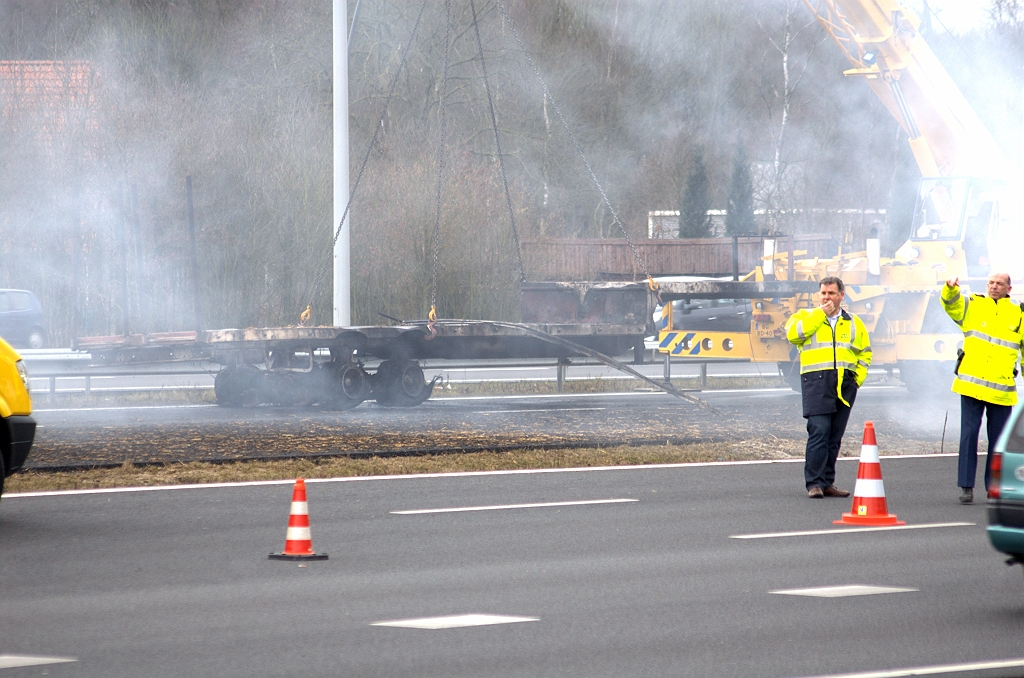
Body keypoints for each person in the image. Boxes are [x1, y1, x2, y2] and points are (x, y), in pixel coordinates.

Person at [785, 276, 872, 498]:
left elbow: (865, 352)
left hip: (844, 384)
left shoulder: (853, 322)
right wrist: (820, 313)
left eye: (831, 293)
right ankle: (813, 483)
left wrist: (857, 379)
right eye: (823, 293)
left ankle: (827, 482)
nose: (827, 298)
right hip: (816, 382)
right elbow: (793, 335)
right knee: (819, 431)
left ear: (841, 295)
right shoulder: (806, 316)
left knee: (834, 435)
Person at [941, 272, 1024, 503]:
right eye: (991, 283)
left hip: (1001, 389)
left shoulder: (1019, 313)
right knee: (968, 435)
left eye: (999, 283)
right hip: (971, 385)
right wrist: (950, 289)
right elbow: (951, 305)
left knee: (998, 442)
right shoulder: (974, 304)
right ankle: (966, 487)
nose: (994, 287)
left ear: (1009, 288)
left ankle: (994, 487)